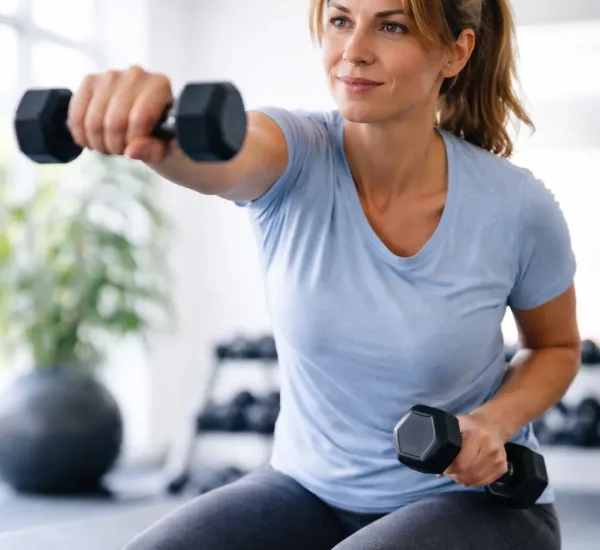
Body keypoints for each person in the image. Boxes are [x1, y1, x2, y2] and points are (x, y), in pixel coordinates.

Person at [69, 0, 581, 548]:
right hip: (305, 489)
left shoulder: (516, 205)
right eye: (341, 20)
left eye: (391, 26)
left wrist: (492, 423)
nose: (353, 52)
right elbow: (221, 153)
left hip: (474, 503)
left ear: (455, 53)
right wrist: (153, 125)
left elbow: (554, 348)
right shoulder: (293, 154)